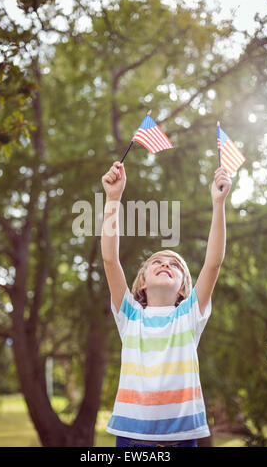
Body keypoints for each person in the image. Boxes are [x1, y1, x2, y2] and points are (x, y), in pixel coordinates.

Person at [101, 161, 232, 447]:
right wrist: (113, 199)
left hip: (183, 436)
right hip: (132, 436)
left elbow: (214, 262)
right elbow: (110, 260)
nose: (165, 264)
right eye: (156, 262)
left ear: (183, 286)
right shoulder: (130, 315)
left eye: (174, 264)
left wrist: (218, 203)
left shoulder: (188, 316)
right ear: (143, 282)